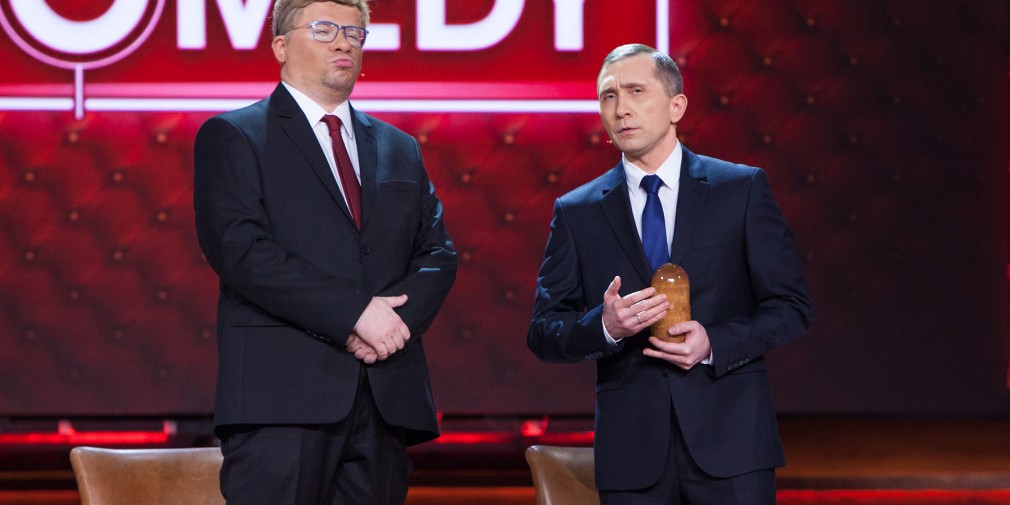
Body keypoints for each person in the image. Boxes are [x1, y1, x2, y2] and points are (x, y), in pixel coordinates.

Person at [193, 0, 457, 503]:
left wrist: (389, 329)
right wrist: (355, 315)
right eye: (324, 29)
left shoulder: (399, 147)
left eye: (354, 34)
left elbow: (437, 254)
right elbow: (241, 250)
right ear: (280, 45)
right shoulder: (235, 136)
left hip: (383, 398)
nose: (343, 42)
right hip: (281, 402)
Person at [527, 43, 813, 504]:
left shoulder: (739, 190)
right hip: (632, 455)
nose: (621, 109)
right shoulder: (578, 211)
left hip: (732, 445)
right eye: (608, 96)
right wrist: (605, 326)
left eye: (636, 91)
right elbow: (544, 331)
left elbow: (791, 307)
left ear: (677, 106)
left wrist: (713, 343)